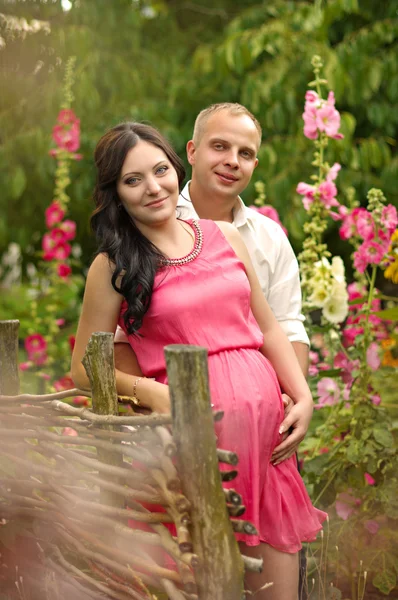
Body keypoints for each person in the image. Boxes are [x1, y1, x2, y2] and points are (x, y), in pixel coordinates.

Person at [71, 122, 327, 600]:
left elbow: (269, 327)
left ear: (176, 167)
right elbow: (84, 368)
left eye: (161, 170)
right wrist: (152, 392)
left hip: (267, 451)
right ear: (116, 194)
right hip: (188, 456)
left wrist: (305, 396)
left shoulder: (226, 236)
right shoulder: (113, 267)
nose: (153, 187)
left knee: (278, 592)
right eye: (133, 180)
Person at [113, 103, 310, 467]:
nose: (232, 161)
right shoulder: (149, 219)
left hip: (263, 427)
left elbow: (285, 326)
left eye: (246, 153)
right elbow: (119, 337)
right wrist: (150, 414)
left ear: (255, 166)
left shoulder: (270, 238)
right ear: (191, 151)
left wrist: (290, 398)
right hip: (177, 434)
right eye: (219, 146)